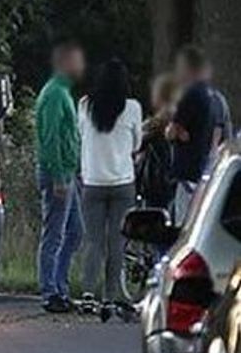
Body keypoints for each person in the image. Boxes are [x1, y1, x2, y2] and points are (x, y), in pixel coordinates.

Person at [78, 59, 141, 301]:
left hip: (92, 181)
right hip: (122, 181)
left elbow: (80, 134)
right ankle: (111, 294)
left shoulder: (84, 105)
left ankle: (87, 291)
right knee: (117, 240)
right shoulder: (133, 108)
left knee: (93, 240)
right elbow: (137, 143)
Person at [35, 40, 85, 313]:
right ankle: (49, 290)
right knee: (55, 231)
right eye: (77, 61)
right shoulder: (55, 94)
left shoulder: (64, 92)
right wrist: (58, 176)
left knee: (76, 231)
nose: (81, 67)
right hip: (58, 173)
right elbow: (51, 137)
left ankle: (60, 284)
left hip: (68, 172)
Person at [167, 45, 215, 223]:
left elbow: (172, 131)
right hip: (200, 164)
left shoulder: (189, 94)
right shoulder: (208, 93)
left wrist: (172, 130)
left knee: (182, 222)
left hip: (186, 170)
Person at [136, 74, 179, 209]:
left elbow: (139, 141)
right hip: (173, 179)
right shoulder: (178, 115)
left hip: (157, 178)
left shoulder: (160, 119)